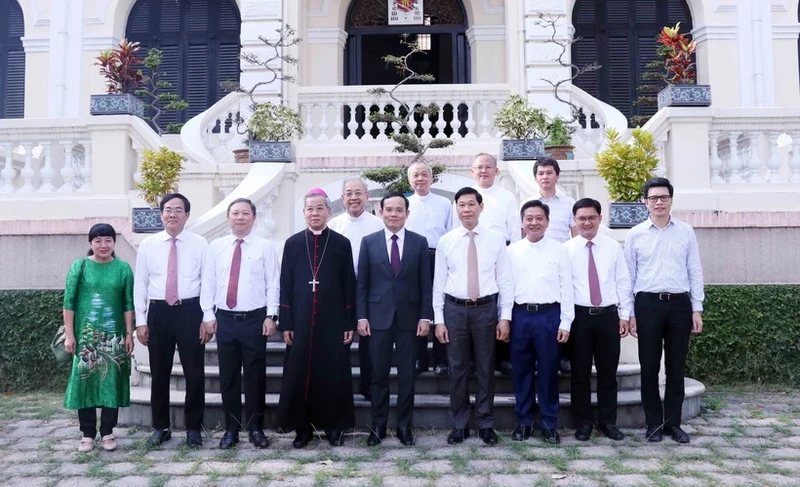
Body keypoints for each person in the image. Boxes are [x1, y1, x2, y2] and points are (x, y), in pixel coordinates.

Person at [624, 177, 705, 444]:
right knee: (649, 367)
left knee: (675, 366)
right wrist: (630, 313)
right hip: (647, 305)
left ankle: (674, 423)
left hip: (679, 305)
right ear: (644, 202)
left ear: (671, 199)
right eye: (653, 198)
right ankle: (653, 424)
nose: (658, 202)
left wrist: (696, 308)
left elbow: (694, 271)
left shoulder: (686, 231)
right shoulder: (635, 234)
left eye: (663, 197)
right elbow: (629, 277)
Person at [134, 193, 215, 449]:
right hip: (158, 313)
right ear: (161, 214)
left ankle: (194, 429)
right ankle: (161, 427)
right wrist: (141, 320)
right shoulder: (148, 245)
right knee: (159, 373)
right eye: (168, 210)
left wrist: (208, 316)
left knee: (194, 373)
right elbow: (141, 285)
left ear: (187, 215)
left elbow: (208, 282)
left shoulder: (200, 243)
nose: (172, 214)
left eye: (178, 210)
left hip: (190, 312)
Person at [277, 189, 357, 448]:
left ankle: (334, 428)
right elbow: (285, 284)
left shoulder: (342, 243)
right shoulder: (292, 243)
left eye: (320, 208)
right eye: (310, 209)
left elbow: (349, 285)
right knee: (300, 374)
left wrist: (349, 322)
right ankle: (302, 430)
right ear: (304, 213)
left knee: (333, 374)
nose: (315, 213)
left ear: (329, 211)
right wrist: (286, 322)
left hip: (332, 321)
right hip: (300, 321)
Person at [434, 187, 513, 446]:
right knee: (457, 368)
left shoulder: (496, 239)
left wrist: (505, 317)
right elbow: (438, 283)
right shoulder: (447, 241)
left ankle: (486, 423)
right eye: (461, 205)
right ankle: (459, 424)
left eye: (471, 204)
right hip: (455, 310)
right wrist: (439, 319)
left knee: (485, 366)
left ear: (481, 207)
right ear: (456, 209)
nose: (466, 209)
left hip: (486, 309)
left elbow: (505, 280)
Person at [356, 192, 433, 447]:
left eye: (399, 210)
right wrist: (362, 316)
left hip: (410, 320)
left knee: (407, 375)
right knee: (378, 375)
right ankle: (378, 426)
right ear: (380, 212)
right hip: (377, 319)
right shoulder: (369, 242)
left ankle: (404, 426)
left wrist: (426, 317)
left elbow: (425, 283)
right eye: (389, 209)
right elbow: (363, 284)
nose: (393, 214)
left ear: (407, 214)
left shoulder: (420, 242)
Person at [207, 198, 280, 449]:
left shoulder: (265, 246)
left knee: (255, 376)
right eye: (235, 213)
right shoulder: (215, 247)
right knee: (228, 377)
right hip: (225, 319)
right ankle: (231, 429)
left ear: (254, 217)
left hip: (254, 320)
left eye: (245, 213)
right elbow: (209, 283)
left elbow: (273, 282)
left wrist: (272, 315)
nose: (240, 217)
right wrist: (208, 315)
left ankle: (256, 428)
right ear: (228, 218)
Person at [564, 198, 631, 442]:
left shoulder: (612, 247)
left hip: (608, 317)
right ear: (574, 220)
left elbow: (623, 281)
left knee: (607, 373)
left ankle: (608, 422)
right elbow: (563, 288)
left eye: (592, 217)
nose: (587, 222)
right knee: (579, 373)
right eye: (581, 218)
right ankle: (583, 423)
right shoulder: (566, 249)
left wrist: (624, 315)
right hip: (579, 317)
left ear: (600, 219)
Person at [506, 201, 574, 444]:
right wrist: (504, 319)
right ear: (522, 222)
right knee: (521, 371)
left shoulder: (559, 250)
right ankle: (523, 421)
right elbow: (506, 288)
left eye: (539, 218)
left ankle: (548, 423)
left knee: (547, 371)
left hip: (549, 315)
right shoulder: (511, 251)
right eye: (529, 218)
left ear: (547, 221)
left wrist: (565, 322)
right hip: (520, 315)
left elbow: (567, 288)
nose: (534, 223)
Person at [63, 223, 134, 452]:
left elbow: (128, 304)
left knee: (111, 382)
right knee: (87, 381)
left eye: (108, 240)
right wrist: (69, 334)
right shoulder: (80, 266)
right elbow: (69, 303)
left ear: (114, 243)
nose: (103, 245)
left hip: (113, 338)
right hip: (87, 338)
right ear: (90, 243)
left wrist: (128, 333)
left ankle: (108, 432)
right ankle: (87, 433)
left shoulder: (123, 268)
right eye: (98, 241)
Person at [457, 153, 520, 375]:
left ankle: (501, 357)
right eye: (479, 167)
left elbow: (514, 228)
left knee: (497, 304)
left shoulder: (506, 197)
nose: (483, 171)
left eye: (488, 167)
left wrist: (512, 255)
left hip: (500, 253)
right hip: (471, 252)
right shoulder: (464, 198)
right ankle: (473, 359)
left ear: (496, 171)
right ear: (472, 172)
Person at [519, 158, 578, 374]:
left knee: (565, 309)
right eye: (541, 173)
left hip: (561, 261)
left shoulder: (569, 203)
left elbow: (576, 235)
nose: (545, 177)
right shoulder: (528, 204)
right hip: (535, 263)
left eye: (549, 173)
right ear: (535, 178)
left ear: (557, 175)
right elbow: (521, 235)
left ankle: (564, 357)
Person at [328, 177, 384, 400]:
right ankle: (340, 388)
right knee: (339, 339)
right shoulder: (333, 226)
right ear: (342, 198)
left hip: (370, 290)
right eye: (349, 193)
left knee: (368, 341)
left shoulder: (378, 224)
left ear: (367, 196)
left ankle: (369, 385)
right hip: (340, 291)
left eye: (358, 193)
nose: (354, 198)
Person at [405, 161, 452, 376]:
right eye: (416, 175)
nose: (420, 179)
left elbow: (450, 234)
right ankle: (419, 358)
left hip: (438, 257)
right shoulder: (404, 204)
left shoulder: (444, 203)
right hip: (413, 259)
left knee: (440, 306)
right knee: (417, 307)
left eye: (424, 174)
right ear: (410, 179)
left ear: (431, 178)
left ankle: (442, 360)